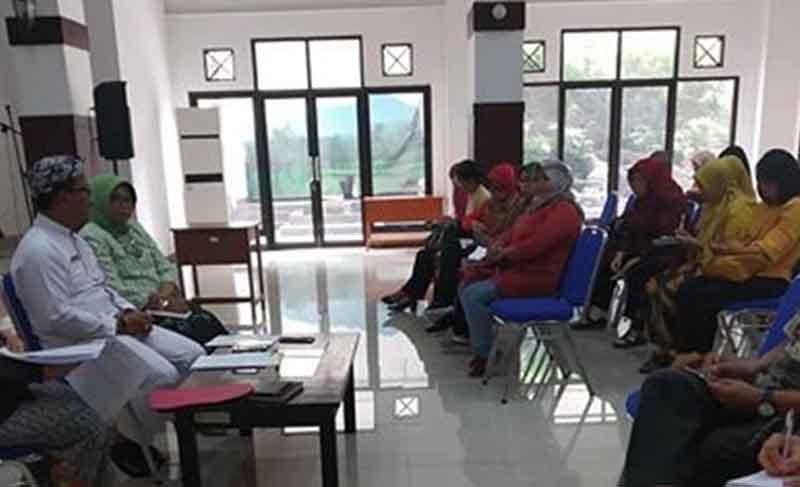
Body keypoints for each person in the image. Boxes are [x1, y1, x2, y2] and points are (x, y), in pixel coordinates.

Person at [10, 155, 206, 476]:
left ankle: (160, 434)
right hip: (79, 346)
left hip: (115, 326)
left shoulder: (74, 239)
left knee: (193, 355)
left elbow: (102, 289)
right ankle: (127, 443)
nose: (90, 198)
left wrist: (128, 311)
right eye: (84, 190)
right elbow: (54, 318)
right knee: (161, 376)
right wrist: (117, 324)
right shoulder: (38, 251)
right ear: (63, 197)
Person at [621, 328, 800, 487]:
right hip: (765, 392)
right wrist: (752, 367)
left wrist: (764, 399)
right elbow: (791, 342)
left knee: (706, 447)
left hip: (788, 413)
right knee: (667, 386)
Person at [670, 149, 800, 357]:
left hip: (772, 280)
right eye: (761, 182)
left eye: (768, 183)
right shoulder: (764, 208)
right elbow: (746, 239)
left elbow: (770, 249)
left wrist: (729, 249)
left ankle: (698, 356)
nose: (762, 189)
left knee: (705, 296)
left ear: (785, 182)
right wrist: (725, 247)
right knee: (690, 288)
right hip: (748, 272)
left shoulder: (795, 208)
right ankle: (683, 352)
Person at [460, 162, 583, 377]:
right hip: (521, 269)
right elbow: (513, 231)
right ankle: (486, 345)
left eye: (541, 179)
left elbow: (537, 245)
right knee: (467, 282)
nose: (532, 184)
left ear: (556, 182)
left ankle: (485, 355)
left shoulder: (564, 211)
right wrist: (499, 244)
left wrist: (505, 253)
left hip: (538, 277)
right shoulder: (538, 205)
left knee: (473, 295)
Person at [640, 155, 760, 373]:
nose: (700, 191)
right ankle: (665, 348)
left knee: (670, 289)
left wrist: (694, 244)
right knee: (653, 284)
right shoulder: (714, 206)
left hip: (721, 268)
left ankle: (678, 349)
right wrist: (690, 240)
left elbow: (728, 251)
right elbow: (705, 245)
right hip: (704, 263)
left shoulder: (738, 210)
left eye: (704, 185)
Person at [80, 175, 227, 346]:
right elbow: (111, 286)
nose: (124, 206)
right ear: (99, 202)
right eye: (115, 199)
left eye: (128, 200)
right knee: (196, 329)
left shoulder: (134, 228)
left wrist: (165, 294)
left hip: (161, 304)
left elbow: (164, 265)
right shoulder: (92, 236)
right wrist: (156, 303)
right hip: (134, 314)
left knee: (207, 320)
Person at [0, 302, 114, 487]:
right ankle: (76, 477)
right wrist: (43, 370)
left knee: (88, 401)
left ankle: (58, 469)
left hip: (14, 385)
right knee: (92, 424)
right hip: (6, 405)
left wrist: (7, 332)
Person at [588, 156, 688, 346]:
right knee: (608, 258)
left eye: (639, 181)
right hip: (641, 248)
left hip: (665, 252)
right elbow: (630, 227)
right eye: (632, 181)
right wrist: (621, 252)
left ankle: (637, 327)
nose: (634, 186)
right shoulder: (643, 201)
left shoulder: (673, 200)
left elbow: (666, 233)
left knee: (638, 273)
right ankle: (599, 312)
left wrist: (637, 256)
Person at [381, 160, 496, 314]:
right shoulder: (472, 194)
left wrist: (459, 222)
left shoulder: (483, 197)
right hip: (463, 241)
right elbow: (467, 221)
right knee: (424, 255)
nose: (459, 187)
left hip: (473, 245)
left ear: (471, 180)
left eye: (460, 182)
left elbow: (475, 226)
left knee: (443, 256)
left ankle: (432, 300)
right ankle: (410, 294)